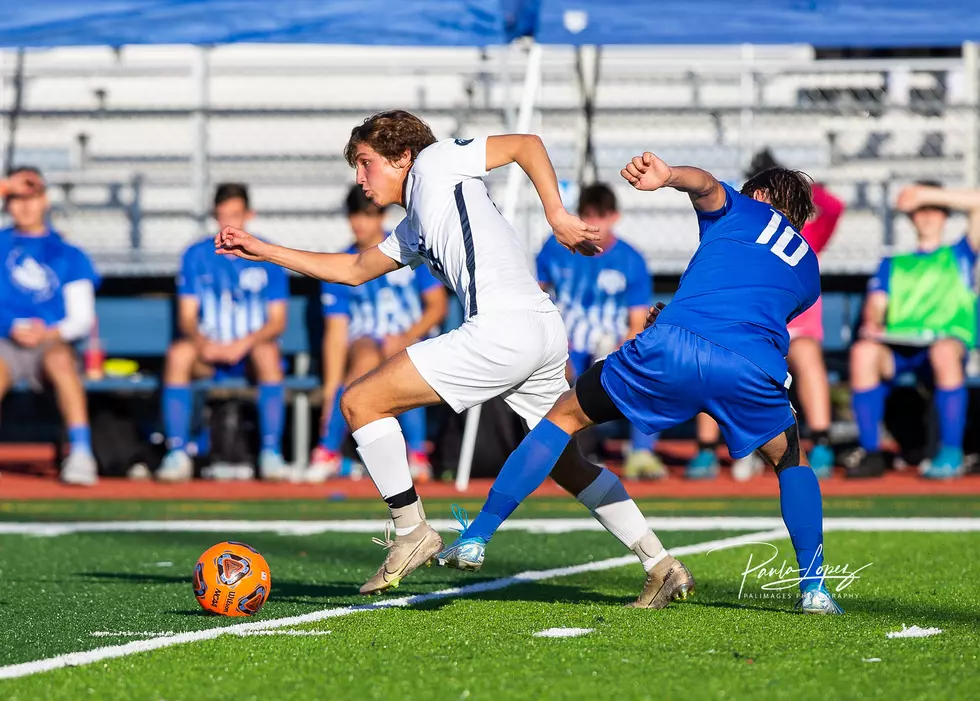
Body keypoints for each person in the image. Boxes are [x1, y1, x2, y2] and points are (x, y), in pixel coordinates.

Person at [216, 110, 692, 608]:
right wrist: (262, 249)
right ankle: (661, 564)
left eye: (365, 163)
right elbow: (355, 269)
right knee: (567, 464)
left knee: (361, 401)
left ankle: (411, 529)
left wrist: (557, 216)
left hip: (502, 329)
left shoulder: (435, 162)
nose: (360, 178)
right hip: (541, 328)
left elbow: (526, 143)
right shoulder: (418, 221)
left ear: (402, 156)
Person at [439, 152, 844, 615]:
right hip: (749, 367)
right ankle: (814, 588)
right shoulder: (810, 269)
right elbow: (746, 314)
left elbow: (706, 184)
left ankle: (475, 537)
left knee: (564, 417)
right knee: (791, 459)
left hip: (672, 345)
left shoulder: (742, 207)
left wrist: (669, 175)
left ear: (762, 195)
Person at [687, 149, 845, 481]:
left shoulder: (804, 236)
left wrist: (790, 183)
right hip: (745, 331)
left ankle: (821, 441)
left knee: (807, 357)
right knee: (714, 357)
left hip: (790, 331)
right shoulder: (739, 226)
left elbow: (833, 207)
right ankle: (706, 449)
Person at [306, 185, 448, 482]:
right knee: (367, 354)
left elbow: (436, 307)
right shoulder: (341, 264)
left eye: (367, 215)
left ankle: (413, 452)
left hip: (408, 342)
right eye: (354, 215)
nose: (359, 223)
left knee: (399, 356)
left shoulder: (407, 248)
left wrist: (408, 335)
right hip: (365, 344)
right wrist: (332, 390)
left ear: (381, 215)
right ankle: (331, 450)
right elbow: (336, 333)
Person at [157, 183, 291, 483]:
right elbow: (187, 317)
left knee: (268, 353)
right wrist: (203, 343)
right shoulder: (195, 255)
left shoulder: (266, 254)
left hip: (251, 353)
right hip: (209, 353)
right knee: (179, 354)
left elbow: (277, 321)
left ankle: (271, 453)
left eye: (236, 214)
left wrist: (244, 344)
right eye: (222, 215)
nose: (229, 223)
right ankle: (176, 452)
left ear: (249, 215)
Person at [847, 181, 979, 479]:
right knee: (862, 353)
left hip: (944, 345)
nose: (928, 215)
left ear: (945, 215)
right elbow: (877, 305)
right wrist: (872, 321)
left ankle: (951, 453)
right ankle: (872, 453)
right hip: (899, 347)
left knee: (945, 352)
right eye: (921, 210)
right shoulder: (894, 263)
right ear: (911, 218)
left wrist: (925, 194)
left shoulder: (960, 254)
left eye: (934, 209)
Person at [536, 182, 664, 480]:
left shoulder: (631, 260)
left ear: (614, 217)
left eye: (601, 216)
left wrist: (620, 356)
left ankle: (642, 452)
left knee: (649, 368)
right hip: (564, 343)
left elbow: (636, 323)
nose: (593, 224)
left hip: (612, 344)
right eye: (588, 215)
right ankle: (563, 458)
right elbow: (535, 296)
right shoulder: (554, 249)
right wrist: (554, 346)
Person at [0, 167, 101, 485]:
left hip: (50, 343)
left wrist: (49, 333)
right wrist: (10, 326)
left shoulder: (68, 253)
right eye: (15, 198)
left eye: (31, 197)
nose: (25, 206)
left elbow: (81, 318)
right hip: (5, 341)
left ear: (45, 200)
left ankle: (82, 453)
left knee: (61, 362)